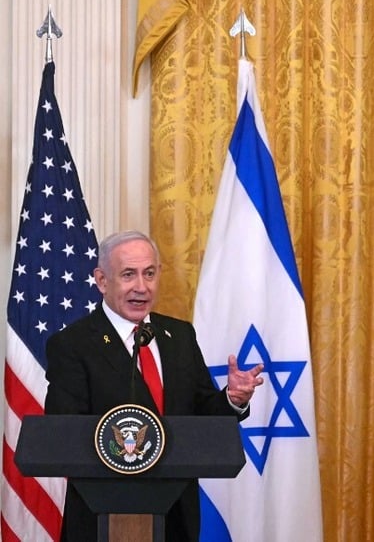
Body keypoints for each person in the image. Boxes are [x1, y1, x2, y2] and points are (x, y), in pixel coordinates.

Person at [45, 230, 265, 541]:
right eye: (128, 275)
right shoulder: (72, 344)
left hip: (176, 513)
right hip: (103, 518)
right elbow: (65, 431)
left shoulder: (180, 336)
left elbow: (202, 414)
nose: (142, 287)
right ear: (102, 280)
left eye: (150, 273)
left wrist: (232, 398)